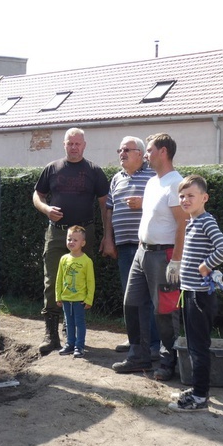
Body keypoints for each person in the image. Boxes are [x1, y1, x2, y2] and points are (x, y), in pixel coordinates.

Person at [112, 133, 185, 381]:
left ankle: (167, 362)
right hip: (142, 253)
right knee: (132, 303)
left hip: (164, 255)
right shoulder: (154, 182)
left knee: (165, 311)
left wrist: (176, 260)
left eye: (150, 149)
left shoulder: (176, 183)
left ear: (163, 152)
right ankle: (139, 356)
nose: (146, 155)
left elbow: (183, 223)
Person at [33, 127, 109, 355]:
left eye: (78, 144)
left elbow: (106, 206)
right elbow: (37, 195)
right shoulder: (52, 168)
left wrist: (108, 236)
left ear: (84, 145)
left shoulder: (94, 171)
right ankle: (51, 334)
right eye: (70, 143)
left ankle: (72, 331)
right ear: (64, 144)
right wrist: (46, 210)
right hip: (57, 233)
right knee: (52, 280)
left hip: (85, 232)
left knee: (80, 280)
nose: (74, 147)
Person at [168, 175, 223, 412]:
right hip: (190, 292)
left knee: (198, 346)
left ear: (204, 198)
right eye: (182, 196)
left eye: (190, 196)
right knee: (194, 344)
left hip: (200, 295)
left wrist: (207, 265)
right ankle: (198, 388)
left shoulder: (205, 221)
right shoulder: (191, 221)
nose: (185, 200)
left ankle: (200, 397)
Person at [100, 136, 159, 358]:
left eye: (127, 150)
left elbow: (168, 203)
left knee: (152, 297)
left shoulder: (154, 175)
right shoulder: (116, 179)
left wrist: (144, 202)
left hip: (149, 246)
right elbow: (109, 210)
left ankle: (153, 344)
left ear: (140, 154)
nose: (122, 154)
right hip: (124, 246)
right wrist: (108, 238)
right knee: (130, 296)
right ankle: (135, 340)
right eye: (120, 149)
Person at [55, 226, 95, 358]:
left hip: (80, 300)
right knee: (68, 323)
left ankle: (79, 346)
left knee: (79, 323)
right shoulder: (63, 259)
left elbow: (90, 282)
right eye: (69, 239)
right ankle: (69, 344)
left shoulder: (86, 261)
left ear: (83, 243)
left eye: (75, 240)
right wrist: (58, 296)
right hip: (66, 298)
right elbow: (59, 279)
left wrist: (89, 299)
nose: (71, 242)